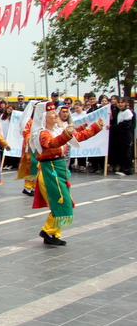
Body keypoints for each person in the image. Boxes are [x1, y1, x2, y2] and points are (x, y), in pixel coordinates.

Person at [30, 102, 105, 245]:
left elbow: (79, 136)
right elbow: (53, 143)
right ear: (44, 117)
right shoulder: (42, 133)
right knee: (61, 201)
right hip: (49, 170)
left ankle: (52, 232)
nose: (56, 115)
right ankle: (48, 231)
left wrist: (96, 127)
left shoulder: (58, 129)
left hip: (59, 168)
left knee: (64, 201)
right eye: (52, 113)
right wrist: (66, 133)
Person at [16, 100, 38, 197]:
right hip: (30, 145)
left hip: (39, 145)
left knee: (38, 166)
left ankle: (35, 186)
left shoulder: (40, 120)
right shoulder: (28, 121)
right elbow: (25, 133)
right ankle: (28, 187)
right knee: (31, 165)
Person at [110, 97, 134, 176]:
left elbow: (126, 124)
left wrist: (113, 127)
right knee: (121, 152)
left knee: (126, 153)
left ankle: (127, 169)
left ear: (125, 103)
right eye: (119, 103)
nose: (120, 104)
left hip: (126, 136)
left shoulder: (128, 112)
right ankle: (122, 168)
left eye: (122, 102)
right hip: (119, 136)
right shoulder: (118, 112)